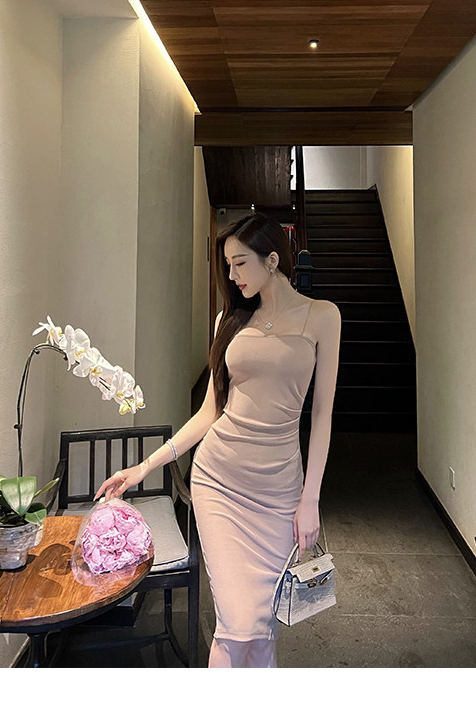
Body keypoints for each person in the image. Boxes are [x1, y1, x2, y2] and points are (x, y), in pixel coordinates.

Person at [95, 212, 341, 668]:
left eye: (240, 263)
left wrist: (311, 499)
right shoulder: (228, 320)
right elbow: (210, 412)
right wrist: (144, 467)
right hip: (220, 482)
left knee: (262, 626)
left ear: (272, 260)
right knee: (236, 623)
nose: (231, 275)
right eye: (227, 265)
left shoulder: (323, 316)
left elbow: (323, 415)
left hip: (280, 490)